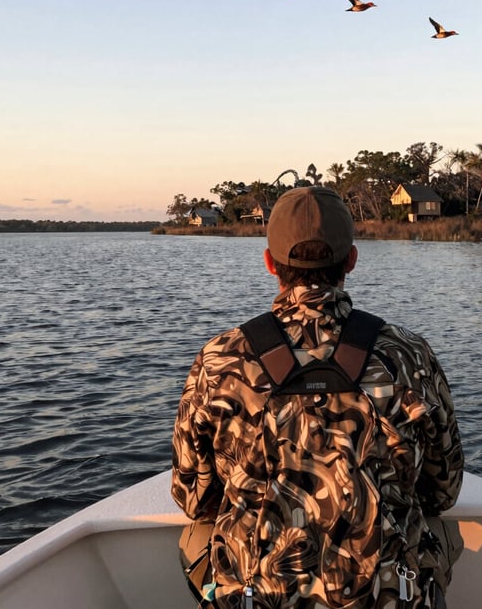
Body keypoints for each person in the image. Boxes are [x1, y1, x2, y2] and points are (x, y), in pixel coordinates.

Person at [172, 186, 464, 607]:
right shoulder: (409, 353)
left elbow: (193, 498)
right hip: (388, 596)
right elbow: (443, 493)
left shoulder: (219, 359)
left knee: (197, 534)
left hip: (258, 596)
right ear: (351, 260)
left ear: (269, 262)